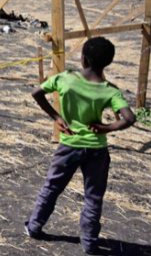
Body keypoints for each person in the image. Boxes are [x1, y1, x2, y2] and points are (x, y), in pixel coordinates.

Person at [25, 37, 136, 254]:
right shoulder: (109, 90)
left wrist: (56, 117)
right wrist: (107, 128)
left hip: (69, 145)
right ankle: (89, 241)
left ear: (83, 58)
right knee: (93, 196)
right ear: (107, 63)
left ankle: (35, 226)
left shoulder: (65, 79)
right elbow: (129, 118)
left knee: (52, 187)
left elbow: (36, 93)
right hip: (96, 149)